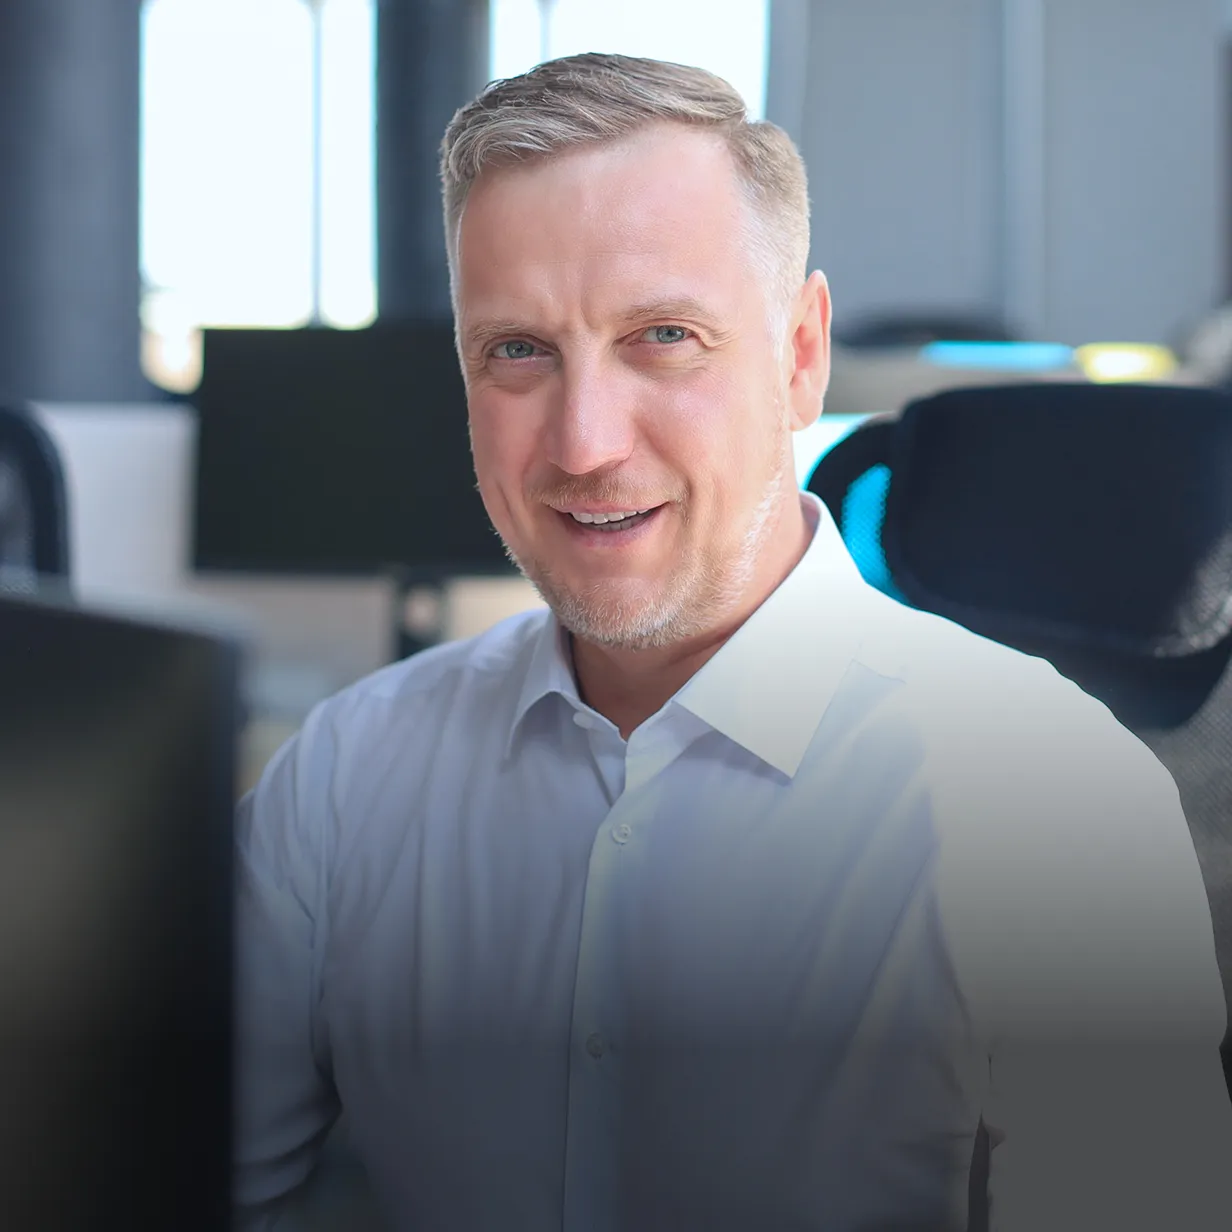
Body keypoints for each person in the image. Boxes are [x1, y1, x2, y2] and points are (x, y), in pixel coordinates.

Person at [233, 53, 1232, 1231]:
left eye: (661, 335)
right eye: (516, 350)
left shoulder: (1052, 803)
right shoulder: (345, 777)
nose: (585, 441)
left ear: (799, 355)